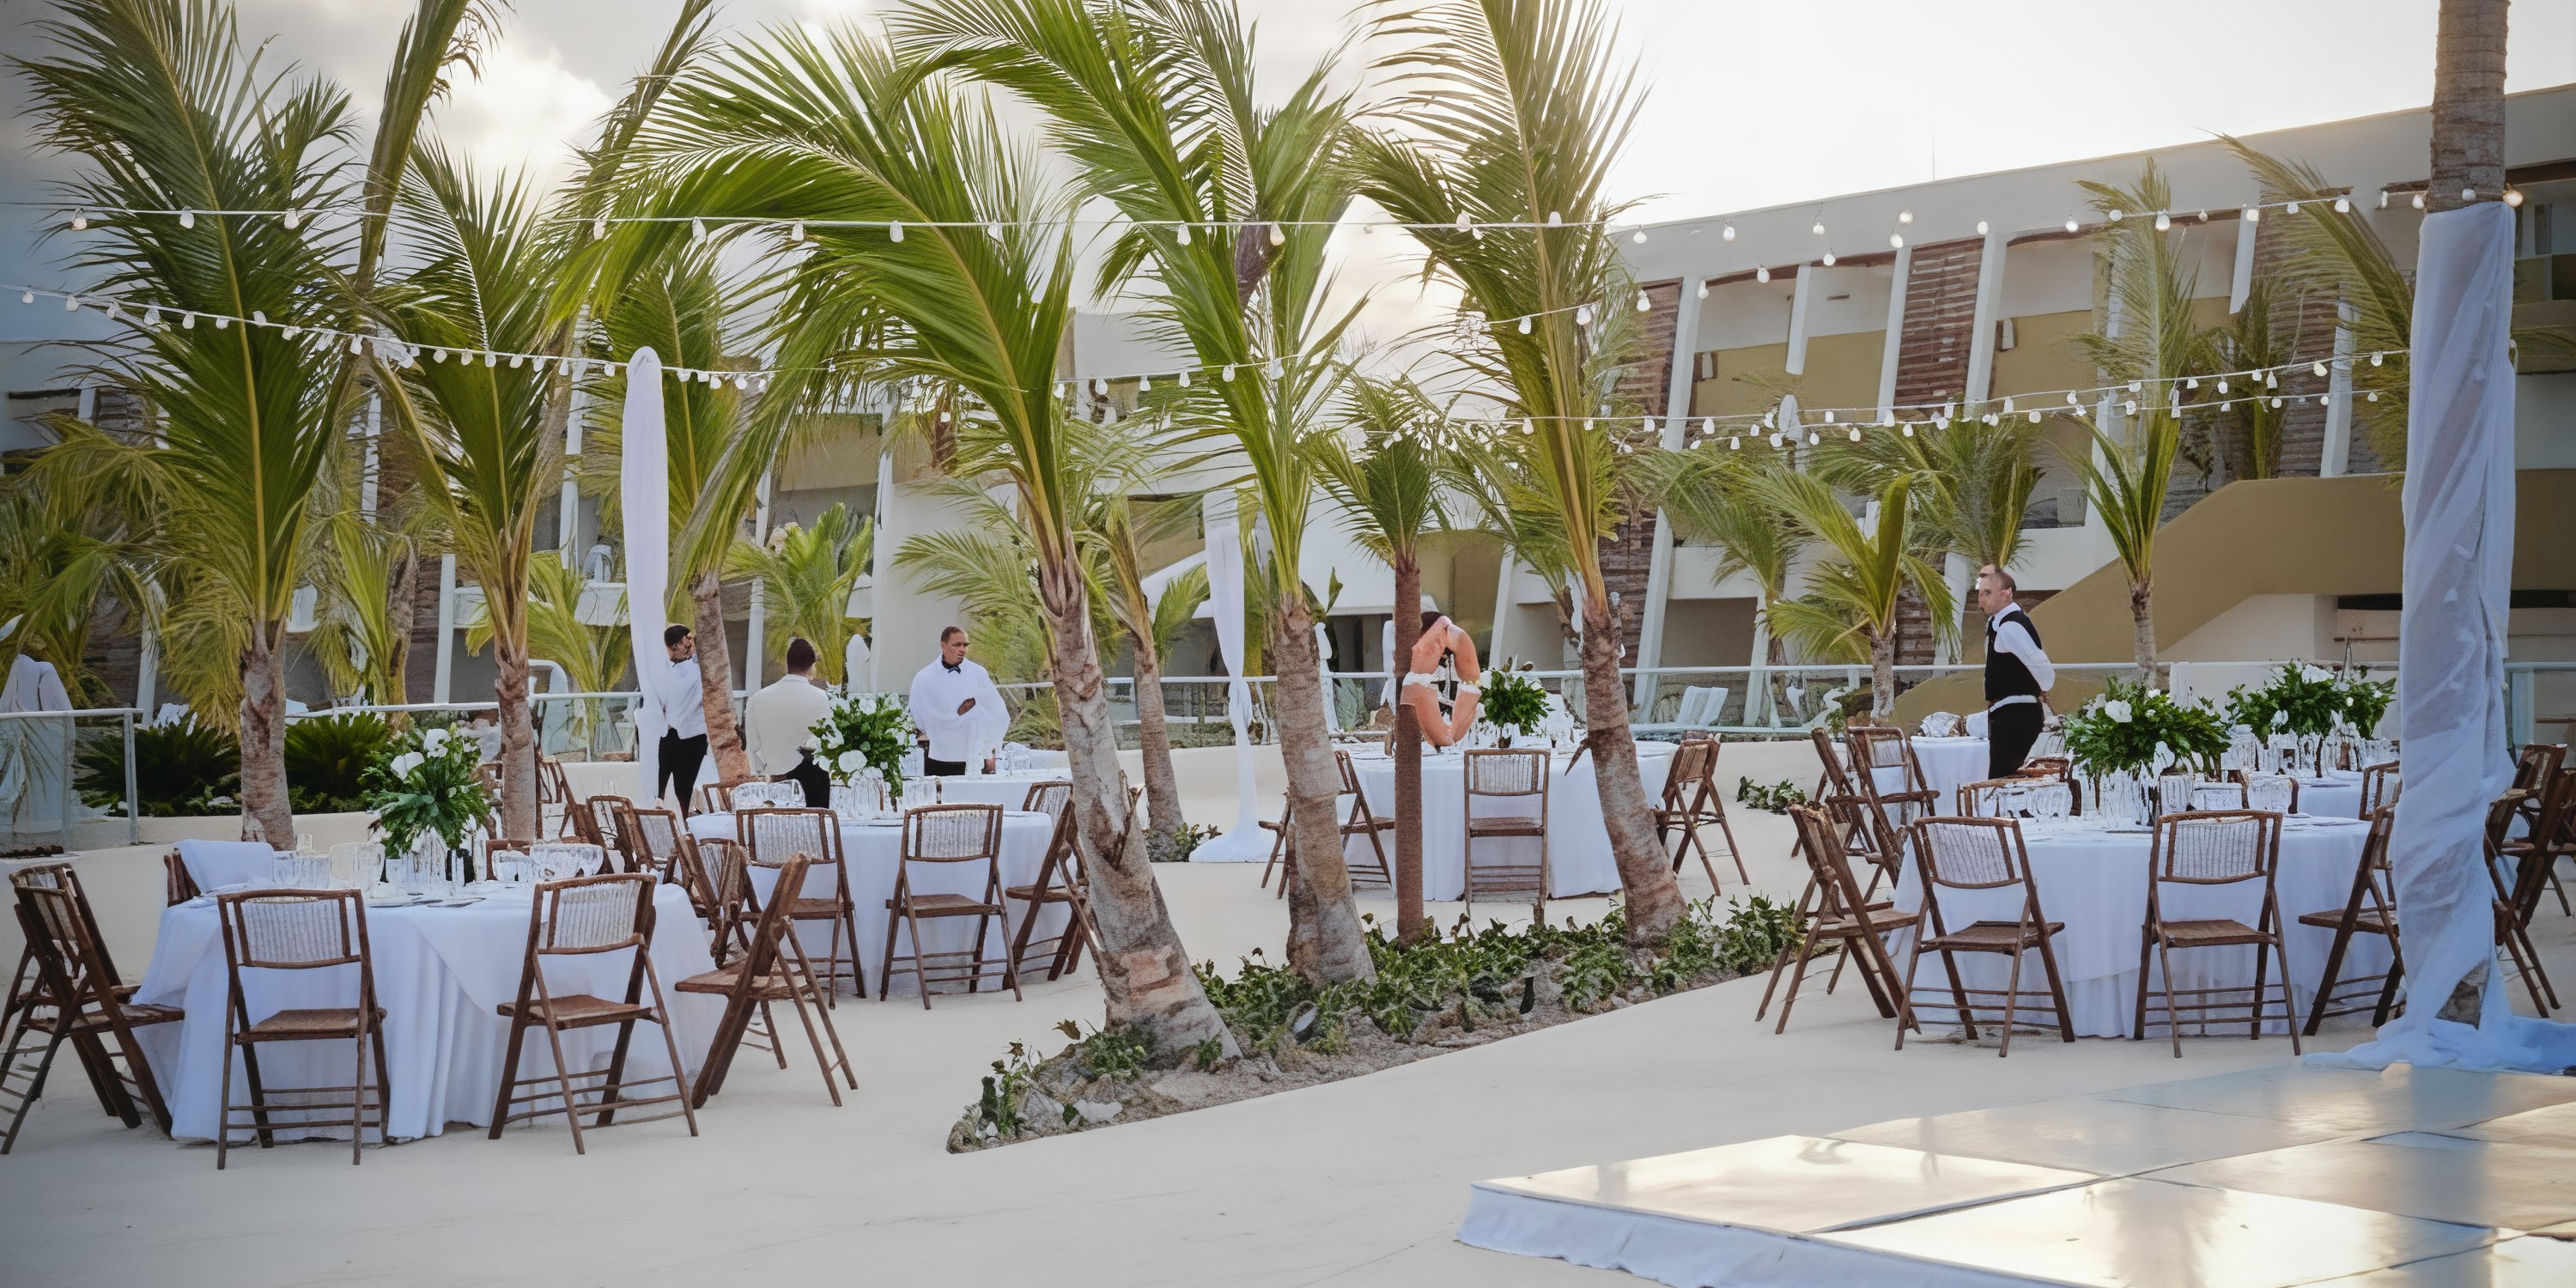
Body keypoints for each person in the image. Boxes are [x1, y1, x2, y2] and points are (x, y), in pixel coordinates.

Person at [1977, 565, 2055, 778]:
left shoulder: (2011, 627)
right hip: (2009, 714)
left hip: (2017, 716)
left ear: (2007, 594)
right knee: (2004, 779)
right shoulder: (1998, 624)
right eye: (1980, 593)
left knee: (2005, 782)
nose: (1980, 599)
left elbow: (2043, 668)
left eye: (1987, 593)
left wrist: (2043, 686)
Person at [746, 636, 834, 806]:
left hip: (775, 782)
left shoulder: (759, 698)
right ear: (812, 665)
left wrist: (764, 771)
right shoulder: (822, 698)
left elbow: (752, 745)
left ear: (788, 663)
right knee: (816, 831)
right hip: (814, 785)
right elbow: (829, 742)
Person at [908, 625, 1007, 775]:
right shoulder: (924, 678)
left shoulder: (978, 673)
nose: (962, 649)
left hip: (973, 756)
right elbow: (918, 715)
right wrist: (952, 719)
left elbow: (997, 711)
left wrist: (990, 750)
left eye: (965, 645)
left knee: (975, 798)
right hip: (937, 755)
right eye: (957, 645)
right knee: (940, 798)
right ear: (943, 646)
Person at [1398, 611, 1483, 748]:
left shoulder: (1446, 633)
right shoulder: (1450, 634)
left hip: (1467, 687)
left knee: (1445, 738)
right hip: (1466, 686)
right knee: (1415, 686)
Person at [655, 624, 709, 813]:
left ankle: (687, 821)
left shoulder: (697, 666)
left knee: (683, 789)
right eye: (687, 642)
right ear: (676, 645)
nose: (690, 645)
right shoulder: (664, 671)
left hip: (693, 734)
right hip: (671, 733)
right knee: (664, 784)